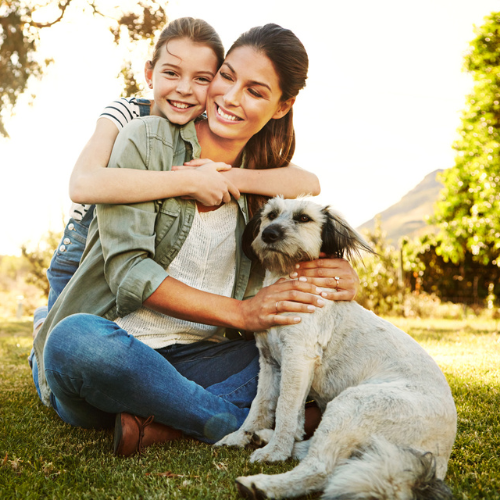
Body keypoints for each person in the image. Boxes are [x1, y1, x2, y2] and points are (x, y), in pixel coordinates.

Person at [32, 22, 359, 457]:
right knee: (74, 342)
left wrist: (339, 277)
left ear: (283, 107)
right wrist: (241, 313)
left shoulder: (268, 185)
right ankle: (226, 421)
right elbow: (130, 274)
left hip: (198, 360)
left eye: (256, 91)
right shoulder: (144, 139)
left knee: (328, 358)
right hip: (116, 346)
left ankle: (167, 424)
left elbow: (306, 212)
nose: (230, 97)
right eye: (226, 76)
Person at [34, 17, 322, 334]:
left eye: (202, 78)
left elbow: (309, 183)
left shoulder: (207, 118)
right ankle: (42, 328)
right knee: (63, 330)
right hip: (82, 241)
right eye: (171, 73)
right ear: (149, 74)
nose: (184, 89)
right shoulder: (131, 114)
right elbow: (83, 184)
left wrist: (226, 177)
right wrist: (189, 181)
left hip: (141, 266)